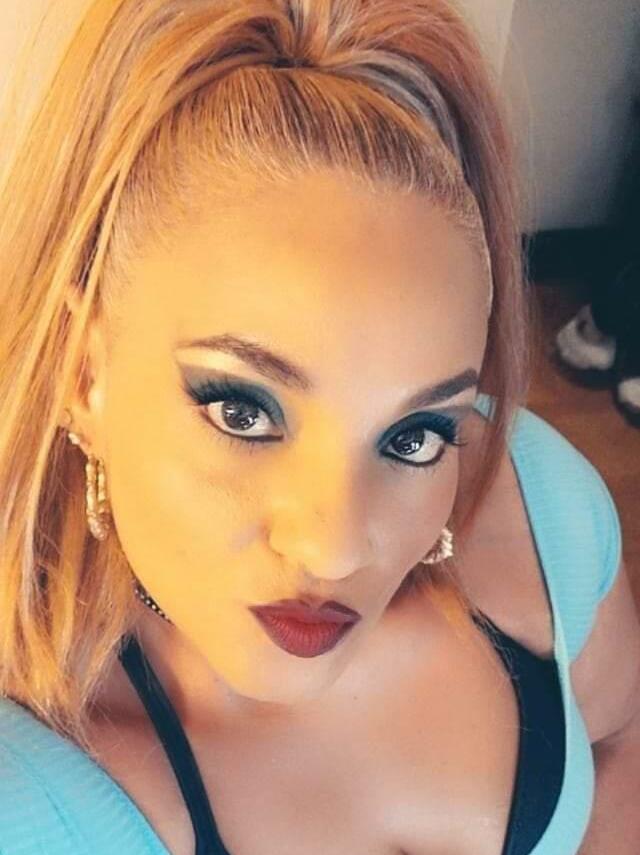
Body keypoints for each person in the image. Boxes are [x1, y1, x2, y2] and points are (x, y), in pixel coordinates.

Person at [0, 2, 638, 855]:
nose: (335, 550)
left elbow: (620, 737)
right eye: (243, 411)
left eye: (414, 435)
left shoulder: (542, 505)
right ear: (85, 374)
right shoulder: (32, 798)